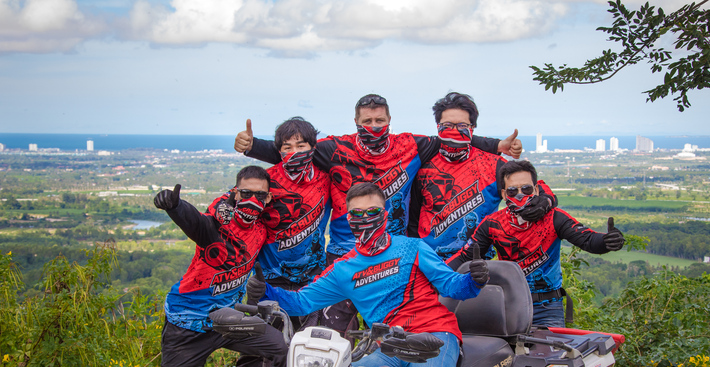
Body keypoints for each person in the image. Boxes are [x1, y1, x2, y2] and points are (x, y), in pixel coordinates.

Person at [249, 182, 490, 367]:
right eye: (355, 214)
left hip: (434, 337)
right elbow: (302, 301)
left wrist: (474, 280)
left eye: (372, 212)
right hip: (387, 347)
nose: (364, 219)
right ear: (347, 220)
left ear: (386, 214)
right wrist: (264, 291)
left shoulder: (412, 248)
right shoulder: (344, 269)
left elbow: (452, 286)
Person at [234, 93, 522, 334]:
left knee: (393, 327)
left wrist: (497, 145)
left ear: (389, 121)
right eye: (367, 121)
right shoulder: (336, 149)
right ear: (356, 122)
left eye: (379, 120)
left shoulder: (409, 146)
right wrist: (253, 147)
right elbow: (296, 152)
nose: (373, 126)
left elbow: (451, 137)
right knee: (332, 331)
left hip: (394, 253)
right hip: (344, 254)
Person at [154, 166, 289, 367]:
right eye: (246, 194)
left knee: (280, 348)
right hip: (188, 324)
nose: (252, 201)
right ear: (236, 194)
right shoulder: (218, 226)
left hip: (228, 321)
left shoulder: (259, 231)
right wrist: (175, 207)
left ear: (268, 198)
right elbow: (196, 223)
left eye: (260, 196)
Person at [447, 160, 625, 327]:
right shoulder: (492, 224)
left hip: (548, 306)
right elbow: (465, 256)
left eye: (526, 189)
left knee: (553, 358)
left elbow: (587, 240)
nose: (519, 195)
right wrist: (432, 275)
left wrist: (607, 241)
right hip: (509, 304)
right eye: (512, 191)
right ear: (503, 194)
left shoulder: (554, 218)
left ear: (536, 190)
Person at [238, 117, 331, 367]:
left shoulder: (326, 179)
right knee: (258, 348)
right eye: (287, 148)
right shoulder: (268, 182)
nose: (294, 153)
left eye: (300, 146)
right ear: (278, 152)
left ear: (314, 147)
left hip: (311, 279)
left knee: (309, 346)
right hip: (268, 278)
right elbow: (237, 208)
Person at [410, 92, 556, 260]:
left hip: (478, 260)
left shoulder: (494, 165)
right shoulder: (424, 163)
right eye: (447, 125)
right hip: (430, 261)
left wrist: (545, 200)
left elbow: (531, 183)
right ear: (437, 126)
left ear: (472, 128)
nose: (454, 131)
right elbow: (413, 216)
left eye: (462, 126)